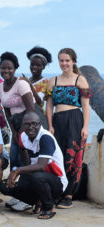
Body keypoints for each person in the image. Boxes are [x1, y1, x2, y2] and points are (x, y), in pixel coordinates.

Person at [0, 111, 68, 219]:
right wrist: (21, 177)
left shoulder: (45, 138)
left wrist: (17, 170)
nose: (31, 127)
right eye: (27, 124)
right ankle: (37, 201)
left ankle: (48, 207)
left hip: (56, 181)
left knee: (37, 176)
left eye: (34, 124)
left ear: (40, 124)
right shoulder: (23, 137)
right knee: (5, 185)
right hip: (38, 178)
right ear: (22, 125)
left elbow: (41, 166)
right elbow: (27, 161)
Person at [46, 48, 91, 209]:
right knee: (57, 156)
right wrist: (50, 125)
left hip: (74, 119)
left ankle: (69, 195)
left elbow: (86, 106)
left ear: (73, 61)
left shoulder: (81, 80)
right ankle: (58, 191)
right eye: (61, 60)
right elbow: (49, 105)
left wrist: (85, 127)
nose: (64, 63)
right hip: (57, 121)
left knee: (73, 156)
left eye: (67, 60)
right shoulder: (53, 81)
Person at [0, 51, 36, 211]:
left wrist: (21, 133)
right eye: (3, 68)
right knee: (15, 160)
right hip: (15, 124)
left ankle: (29, 199)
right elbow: (6, 110)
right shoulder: (0, 86)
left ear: (15, 68)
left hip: (30, 124)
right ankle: (18, 193)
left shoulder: (21, 84)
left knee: (27, 161)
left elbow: (31, 109)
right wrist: (13, 131)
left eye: (9, 68)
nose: (6, 71)